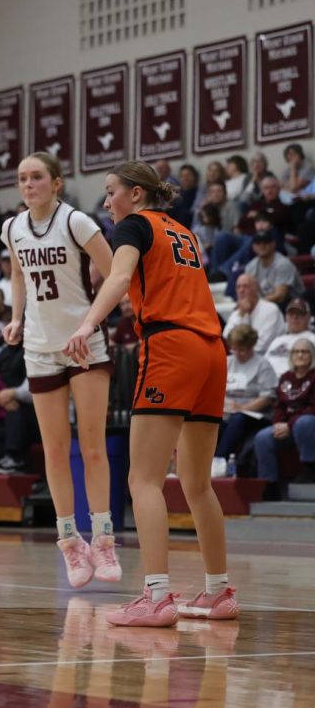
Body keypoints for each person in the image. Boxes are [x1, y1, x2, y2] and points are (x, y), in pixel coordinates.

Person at [64, 161, 239, 628]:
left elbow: (119, 280)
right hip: (212, 350)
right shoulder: (181, 231)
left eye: (110, 192)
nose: (105, 203)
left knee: (143, 480)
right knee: (198, 483)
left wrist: (86, 323)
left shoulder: (134, 226)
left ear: (135, 195)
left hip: (171, 347)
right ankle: (218, 592)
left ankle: (156, 595)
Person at [2, 152, 120, 588]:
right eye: (22, 178)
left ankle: (104, 539)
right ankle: (71, 542)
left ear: (56, 182)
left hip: (83, 345)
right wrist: (16, 316)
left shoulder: (76, 223)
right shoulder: (12, 228)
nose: (28, 184)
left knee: (91, 449)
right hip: (39, 347)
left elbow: (115, 273)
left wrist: (91, 323)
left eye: (36, 177)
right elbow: (17, 274)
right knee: (53, 451)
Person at [252, 338, 315, 498]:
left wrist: (290, 425)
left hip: (308, 425)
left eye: (304, 351)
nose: (300, 355)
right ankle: (269, 484)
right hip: (289, 426)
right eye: (296, 351)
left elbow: (312, 407)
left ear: (312, 355)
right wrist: (279, 423)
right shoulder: (286, 377)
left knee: (304, 422)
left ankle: (309, 468)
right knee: (262, 437)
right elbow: (278, 405)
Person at [212, 325, 276, 475]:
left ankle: (219, 459)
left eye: (243, 349)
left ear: (251, 346)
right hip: (225, 411)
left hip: (252, 413)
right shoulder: (227, 362)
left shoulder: (262, 364)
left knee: (238, 419)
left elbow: (267, 397)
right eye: (235, 349)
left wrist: (243, 408)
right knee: (211, 421)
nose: (239, 353)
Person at [223, 273, 284, 355]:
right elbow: (226, 339)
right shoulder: (237, 313)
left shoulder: (270, 309)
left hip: (268, 356)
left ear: (256, 289)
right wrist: (241, 315)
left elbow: (262, 345)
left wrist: (238, 349)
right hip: (240, 358)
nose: (241, 290)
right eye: (238, 287)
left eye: (245, 286)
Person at [241, 229, 303, 307]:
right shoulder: (250, 267)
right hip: (266, 305)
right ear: (253, 247)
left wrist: (255, 303)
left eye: (265, 242)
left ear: (273, 244)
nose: (262, 245)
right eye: (258, 243)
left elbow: (280, 296)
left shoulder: (283, 264)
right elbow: (249, 292)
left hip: (293, 306)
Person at [263, 298, 315, 378]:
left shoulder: (312, 339)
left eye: (299, 313)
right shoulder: (277, 340)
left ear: (308, 317)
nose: (294, 317)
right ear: (286, 317)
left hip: (291, 382)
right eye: (291, 313)